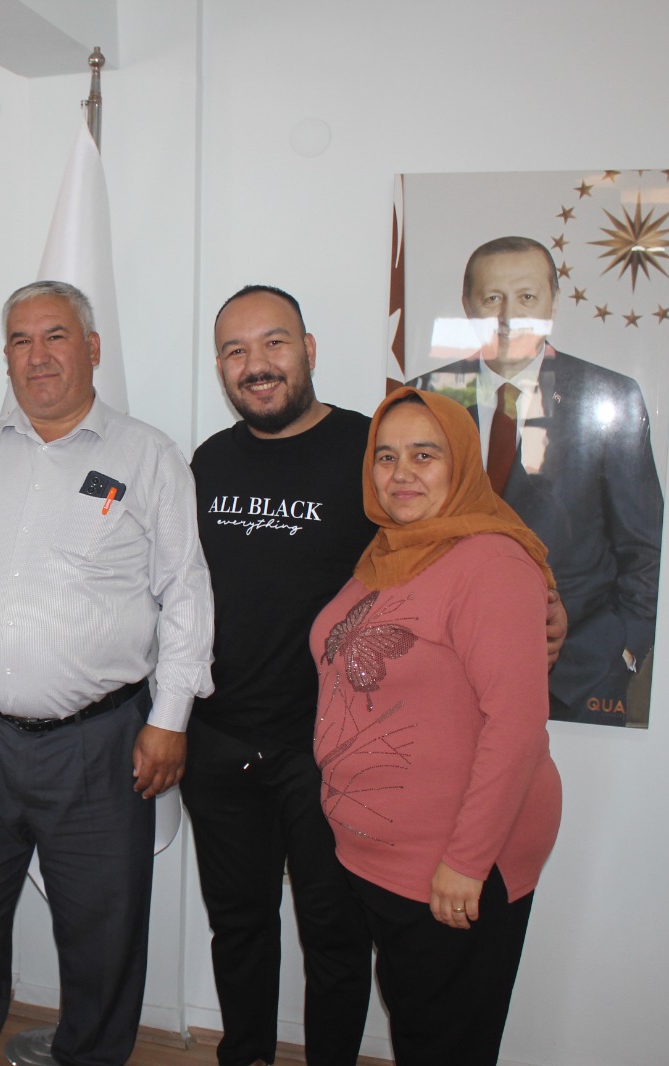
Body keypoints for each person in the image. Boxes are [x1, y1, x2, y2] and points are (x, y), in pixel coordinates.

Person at [0, 280, 214, 1066]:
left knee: (102, 943)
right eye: (21, 340)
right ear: (6, 356)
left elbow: (185, 593)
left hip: (99, 744)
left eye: (55, 336)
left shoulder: (147, 456)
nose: (37, 356)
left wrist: (171, 719)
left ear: (92, 348)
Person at [313, 386, 562, 1065]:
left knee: (444, 1046)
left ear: (463, 464)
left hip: (451, 869)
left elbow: (517, 727)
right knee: (419, 1031)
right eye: (386, 456)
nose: (401, 473)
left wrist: (465, 864)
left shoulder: (490, 563)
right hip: (377, 859)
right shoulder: (387, 553)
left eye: (425, 455)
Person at [184, 285, 377, 1066]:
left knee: (336, 934)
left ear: (309, 350)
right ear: (221, 367)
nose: (255, 364)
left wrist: (540, 591)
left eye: (273, 343)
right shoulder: (209, 461)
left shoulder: (369, 448)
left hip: (328, 748)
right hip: (219, 741)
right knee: (238, 925)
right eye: (235, 350)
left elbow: (455, 531)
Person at [415, 236, 663, 725]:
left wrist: (620, 650)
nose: (509, 317)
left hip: (575, 682)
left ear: (553, 302)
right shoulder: (423, 397)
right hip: (444, 680)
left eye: (527, 297)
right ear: (467, 305)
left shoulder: (610, 396)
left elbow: (647, 551)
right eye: (492, 298)